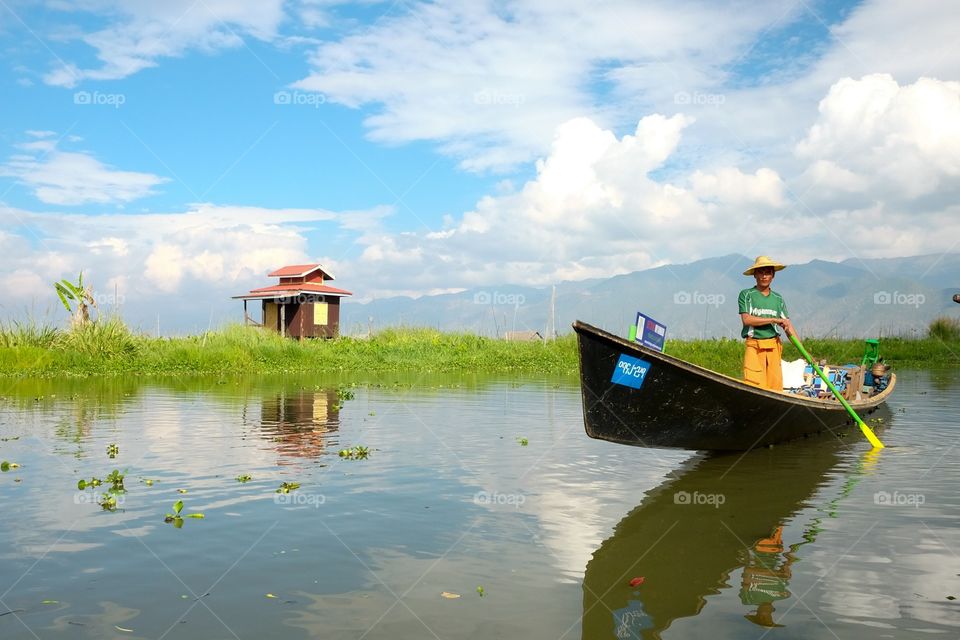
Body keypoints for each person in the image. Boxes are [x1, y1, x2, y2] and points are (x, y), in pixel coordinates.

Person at [739, 256, 795, 390]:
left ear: (773, 275)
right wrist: (773, 320)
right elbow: (747, 320)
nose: (764, 276)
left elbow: (788, 325)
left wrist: (804, 351)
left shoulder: (778, 299)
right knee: (754, 386)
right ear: (755, 275)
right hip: (754, 346)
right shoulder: (747, 295)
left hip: (773, 347)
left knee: (775, 388)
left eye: (768, 272)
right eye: (761, 272)